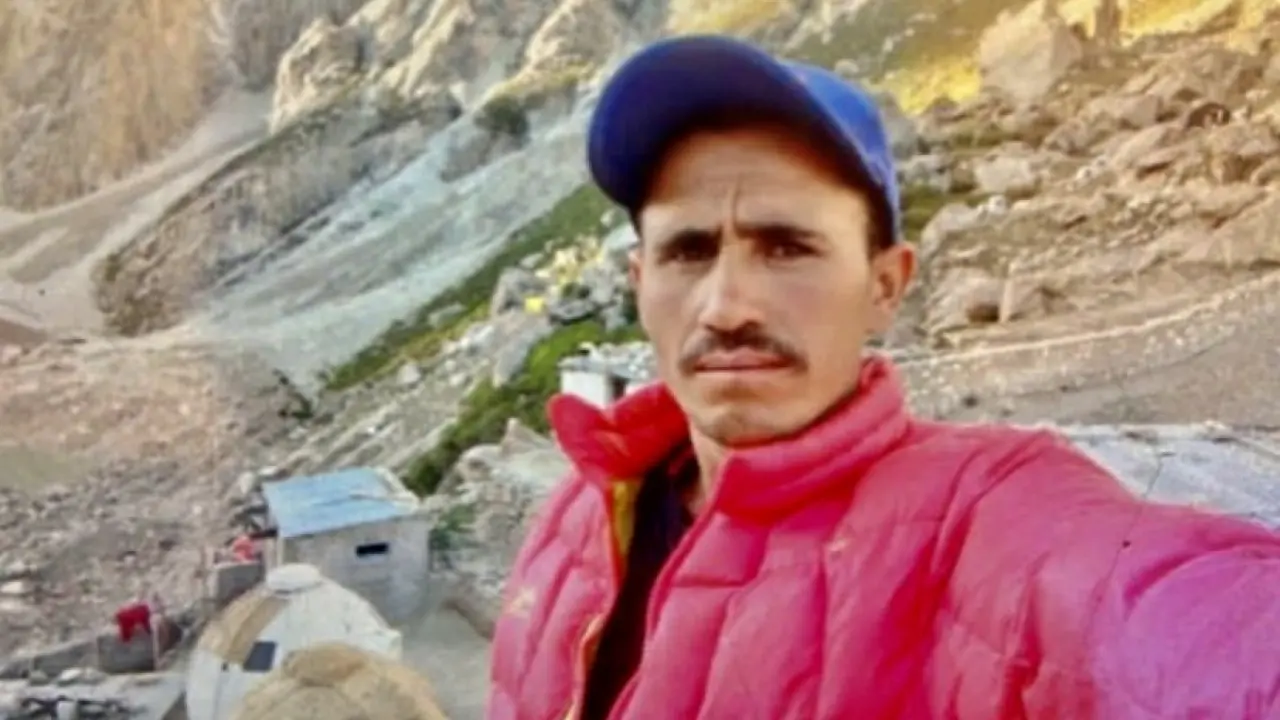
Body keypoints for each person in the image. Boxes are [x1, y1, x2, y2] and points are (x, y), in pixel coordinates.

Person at [487, 34, 1280, 719]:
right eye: (687, 251)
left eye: (787, 248)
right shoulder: (588, 507)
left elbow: (1171, 613)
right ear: (639, 283)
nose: (725, 307)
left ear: (885, 287)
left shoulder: (978, 516)